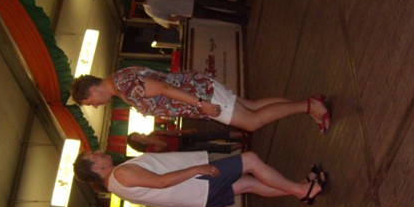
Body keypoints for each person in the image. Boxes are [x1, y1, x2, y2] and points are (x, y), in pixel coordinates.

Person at [70, 66, 331, 133]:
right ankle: (308, 105)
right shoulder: (120, 79)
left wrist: (199, 104)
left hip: (200, 95)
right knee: (251, 106)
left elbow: (163, 88)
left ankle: (309, 106)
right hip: (198, 89)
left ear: (91, 92)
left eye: (90, 102)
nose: (95, 105)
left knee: (251, 122)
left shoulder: (124, 86)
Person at [74, 150, 327, 207]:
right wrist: (195, 169)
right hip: (197, 183)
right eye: (93, 155)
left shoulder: (115, 187)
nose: (98, 152)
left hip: (195, 196)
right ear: (96, 168)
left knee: (248, 183)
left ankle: (301, 188)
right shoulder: (120, 174)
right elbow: (161, 182)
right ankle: (302, 190)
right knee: (249, 160)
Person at [134, 0, 248, 28]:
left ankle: (241, 20)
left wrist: (182, 15)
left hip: (189, 11)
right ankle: (243, 8)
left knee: (216, 15)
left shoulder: (150, 11)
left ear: (140, 3)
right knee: (219, 3)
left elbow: (171, 19)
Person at [127, 128, 243, 154]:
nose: (137, 137)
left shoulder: (153, 133)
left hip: (183, 137)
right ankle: (241, 145)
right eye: (135, 139)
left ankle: (241, 135)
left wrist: (184, 131)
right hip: (182, 148)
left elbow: (170, 133)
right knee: (210, 147)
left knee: (212, 134)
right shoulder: (149, 150)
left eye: (135, 135)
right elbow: (163, 144)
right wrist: (148, 140)